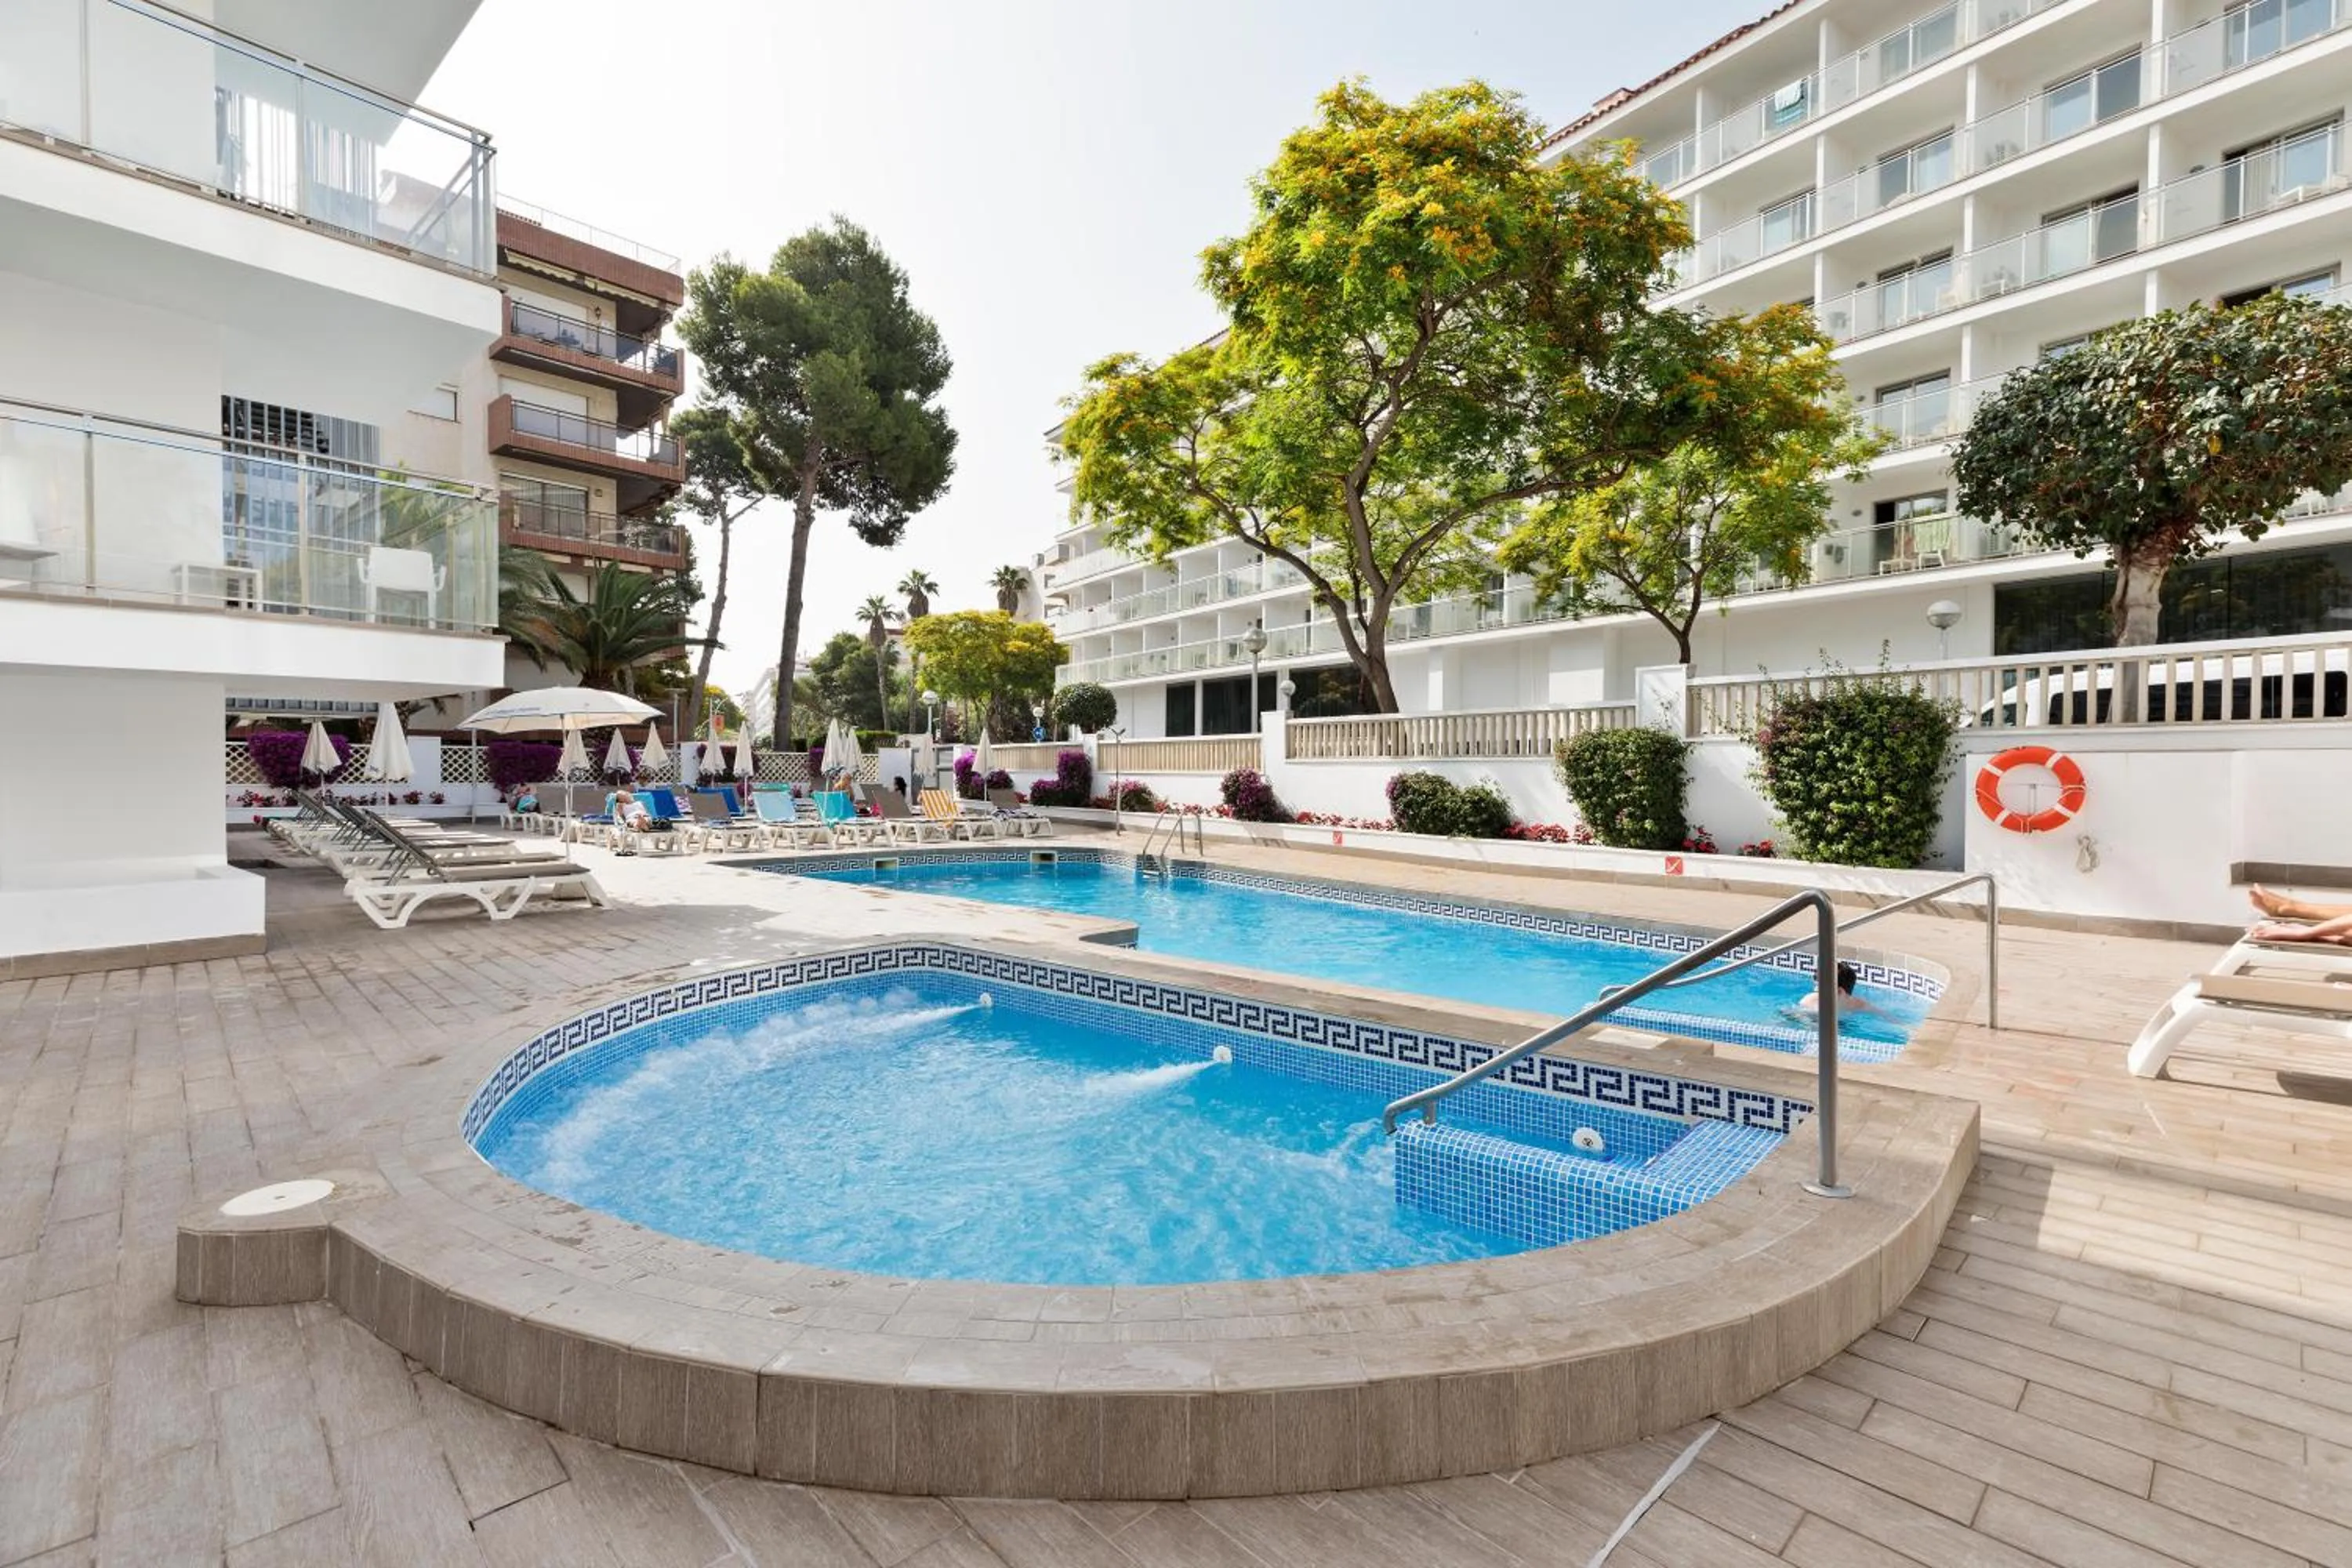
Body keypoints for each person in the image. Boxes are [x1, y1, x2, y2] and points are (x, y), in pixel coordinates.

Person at [1795, 962, 1885, 1020]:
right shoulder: (1810, 1001)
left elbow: (1888, 1018)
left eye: (1820, 983)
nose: (1815, 987)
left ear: (1839, 991)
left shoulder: (1856, 1004)